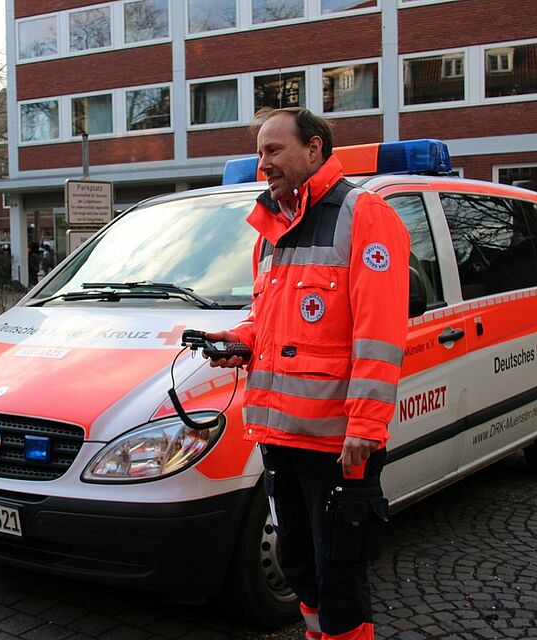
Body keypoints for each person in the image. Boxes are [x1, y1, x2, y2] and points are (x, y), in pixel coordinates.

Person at [206, 107, 410, 640]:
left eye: (273, 150)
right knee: (300, 568)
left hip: (338, 444)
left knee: (340, 579)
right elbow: (269, 322)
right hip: (280, 438)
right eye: (259, 152)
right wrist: (239, 342)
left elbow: (380, 333)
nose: (262, 163)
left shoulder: (364, 215)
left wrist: (366, 427)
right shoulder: (271, 226)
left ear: (314, 149)